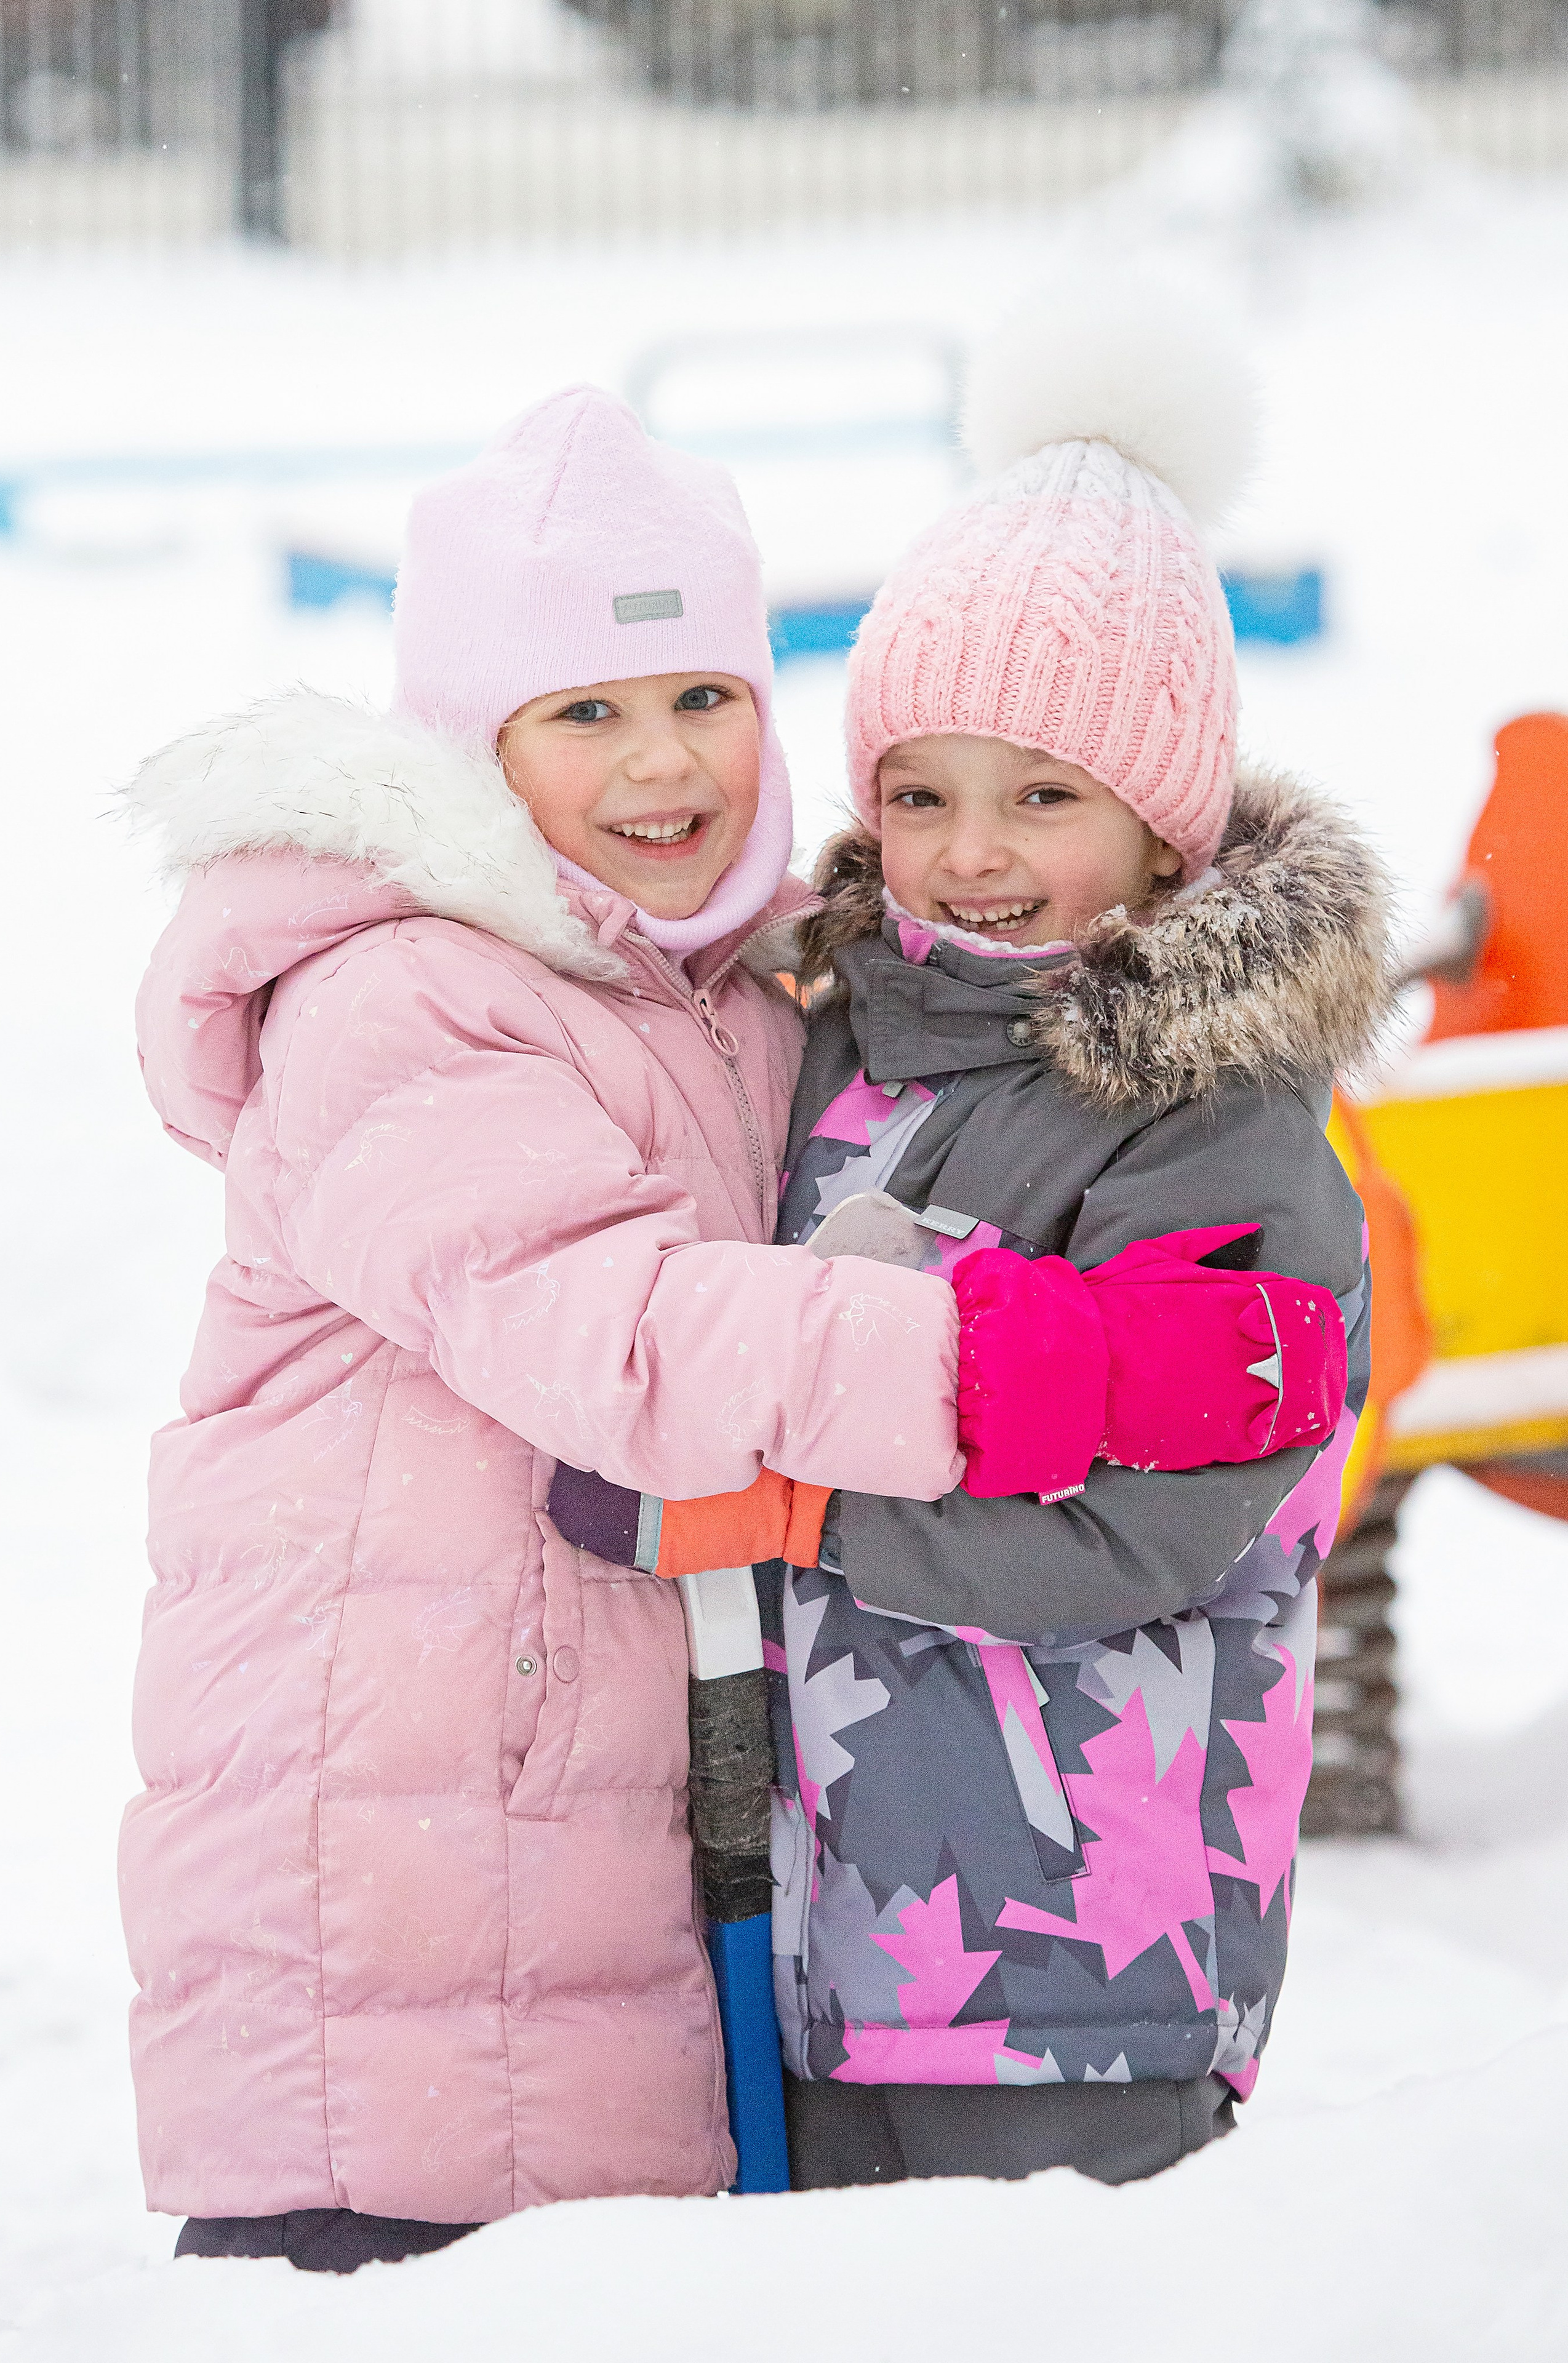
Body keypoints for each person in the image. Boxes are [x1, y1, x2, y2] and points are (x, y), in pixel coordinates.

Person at [119, 384, 1346, 2272]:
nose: (656, 761)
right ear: (472, 741)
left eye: (700, 695)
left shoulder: (752, 1005)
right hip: (390, 1907)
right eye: (582, 712)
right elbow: (622, 1338)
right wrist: (1041, 1367)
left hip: (697, 1922)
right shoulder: (412, 1003)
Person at [764, 292, 1393, 2192]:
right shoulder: (831, 1048)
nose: (973, 848)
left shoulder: (1217, 1122)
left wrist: (780, 1504)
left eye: (1046, 795)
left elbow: (1137, 1538)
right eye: (921, 790)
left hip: (1079, 1960)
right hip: (798, 1938)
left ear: (1167, 828)